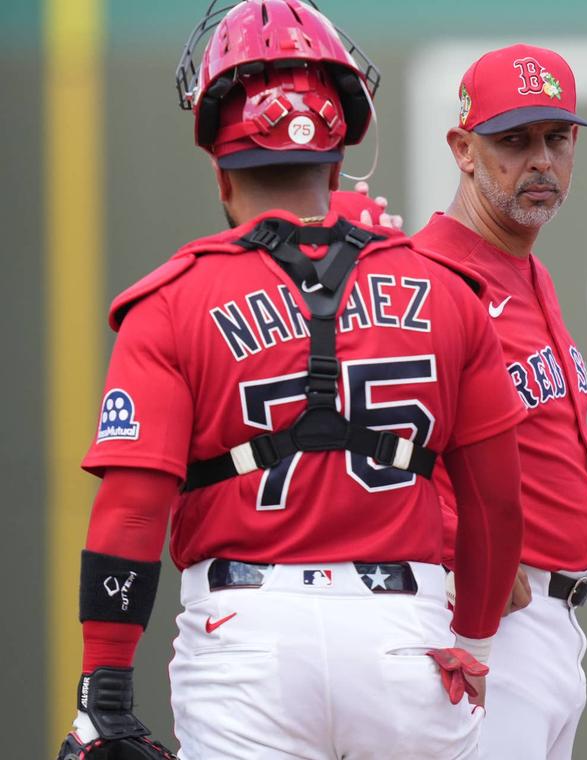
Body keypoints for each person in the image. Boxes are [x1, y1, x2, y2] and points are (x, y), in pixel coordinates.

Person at [56, 2, 525, 759]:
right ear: (337, 163)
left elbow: (132, 513)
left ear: (218, 166)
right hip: (403, 637)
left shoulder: (173, 299)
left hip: (245, 641)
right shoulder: (447, 291)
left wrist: (104, 689)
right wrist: (472, 641)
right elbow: (497, 505)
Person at [340, 43, 587, 760]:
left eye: (556, 138)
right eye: (513, 141)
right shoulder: (431, 276)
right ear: (463, 148)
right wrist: (467, 547)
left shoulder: (525, 268)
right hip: (488, 620)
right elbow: (370, 441)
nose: (541, 161)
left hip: (552, 623)